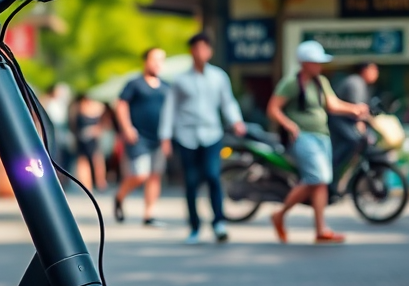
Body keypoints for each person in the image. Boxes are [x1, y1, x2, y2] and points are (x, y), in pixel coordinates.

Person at [267, 40, 369, 245]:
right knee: (317, 177)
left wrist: (354, 109)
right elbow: (273, 108)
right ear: (304, 63)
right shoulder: (292, 82)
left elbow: (332, 104)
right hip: (303, 137)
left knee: (321, 183)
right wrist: (289, 125)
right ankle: (280, 214)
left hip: (323, 135)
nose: (319, 66)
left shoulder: (320, 81)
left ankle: (321, 229)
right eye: (315, 62)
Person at [160, 32, 246, 244]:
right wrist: (165, 137)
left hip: (211, 134)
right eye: (196, 48)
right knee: (190, 182)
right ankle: (194, 226)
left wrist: (236, 120)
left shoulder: (219, 77)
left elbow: (228, 102)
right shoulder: (180, 80)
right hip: (186, 135)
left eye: (204, 48)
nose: (200, 52)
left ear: (210, 51)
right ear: (191, 51)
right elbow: (170, 109)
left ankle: (219, 222)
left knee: (212, 176)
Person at [113, 48, 168, 226]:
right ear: (145, 61)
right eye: (154, 59)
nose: (157, 64)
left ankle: (149, 214)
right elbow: (121, 104)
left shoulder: (167, 86)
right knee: (140, 175)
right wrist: (127, 128)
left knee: (155, 175)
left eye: (161, 60)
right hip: (139, 137)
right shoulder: (134, 84)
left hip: (159, 138)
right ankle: (120, 196)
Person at [329, 62, 379, 183]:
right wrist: (360, 122)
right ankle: (333, 177)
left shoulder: (361, 84)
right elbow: (356, 109)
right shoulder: (355, 82)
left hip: (345, 122)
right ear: (365, 70)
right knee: (354, 141)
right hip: (339, 122)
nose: (376, 73)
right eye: (373, 69)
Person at [71, 93, 108, 191]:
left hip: (90, 138)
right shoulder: (78, 107)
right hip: (84, 138)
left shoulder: (78, 108)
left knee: (95, 160)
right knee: (85, 161)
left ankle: (98, 184)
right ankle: (89, 185)